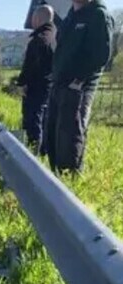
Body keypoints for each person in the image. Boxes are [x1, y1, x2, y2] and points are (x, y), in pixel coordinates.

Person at [42, 0, 114, 172]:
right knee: (52, 137)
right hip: (59, 84)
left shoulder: (98, 15)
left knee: (69, 138)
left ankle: (69, 186)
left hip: (77, 89)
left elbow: (101, 55)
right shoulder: (70, 16)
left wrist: (78, 81)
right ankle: (54, 181)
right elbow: (62, 49)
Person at [16, 5, 56, 150]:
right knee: (44, 118)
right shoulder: (55, 36)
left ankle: (33, 152)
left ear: (38, 18)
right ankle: (43, 150)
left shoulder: (39, 39)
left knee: (33, 120)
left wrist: (22, 83)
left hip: (35, 88)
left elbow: (30, 66)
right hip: (51, 86)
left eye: (33, 18)